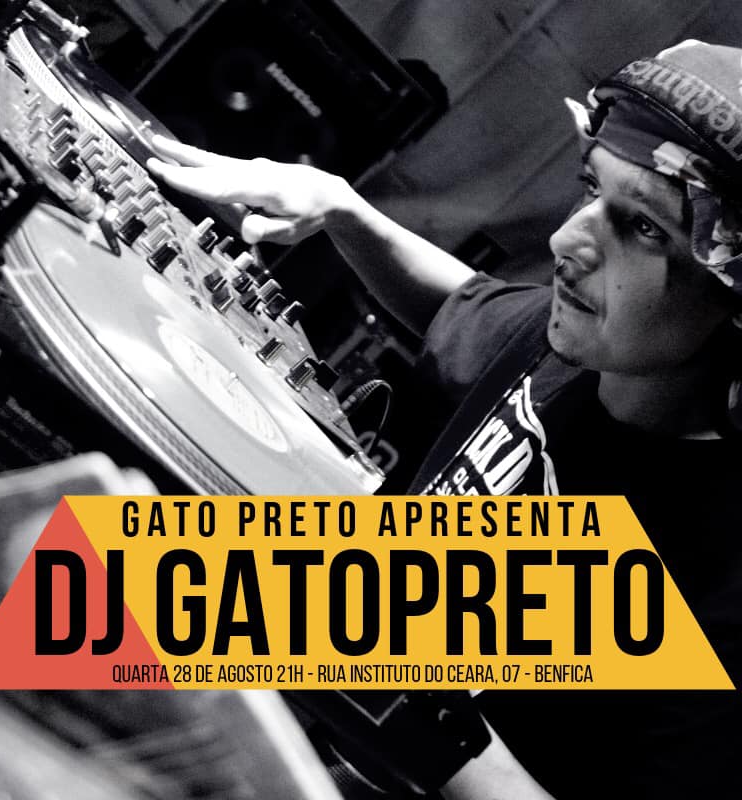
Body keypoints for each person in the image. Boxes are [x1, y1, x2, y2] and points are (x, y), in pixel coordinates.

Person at [148, 40, 742, 800]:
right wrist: (341, 207)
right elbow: (459, 304)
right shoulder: (579, 342)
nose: (566, 243)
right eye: (590, 189)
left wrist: (404, 701)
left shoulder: (716, 573)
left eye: (645, 228)